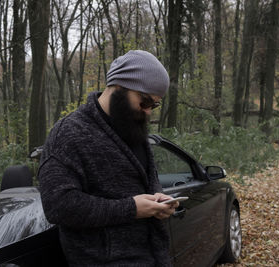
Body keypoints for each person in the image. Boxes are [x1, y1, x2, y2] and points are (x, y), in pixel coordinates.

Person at [38, 50, 178, 267]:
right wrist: (131, 209)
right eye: (144, 102)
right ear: (119, 87)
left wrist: (159, 200)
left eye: (154, 105)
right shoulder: (68, 133)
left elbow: (145, 181)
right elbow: (58, 205)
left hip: (154, 257)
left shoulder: (133, 127)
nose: (148, 112)